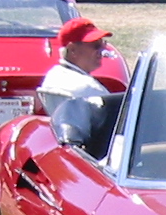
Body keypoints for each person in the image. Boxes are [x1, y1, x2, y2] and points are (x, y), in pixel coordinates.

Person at [37, 17, 114, 145]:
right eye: (96, 46)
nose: (101, 51)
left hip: (65, 147)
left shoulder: (52, 75)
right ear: (72, 50)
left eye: (103, 44)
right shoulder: (90, 88)